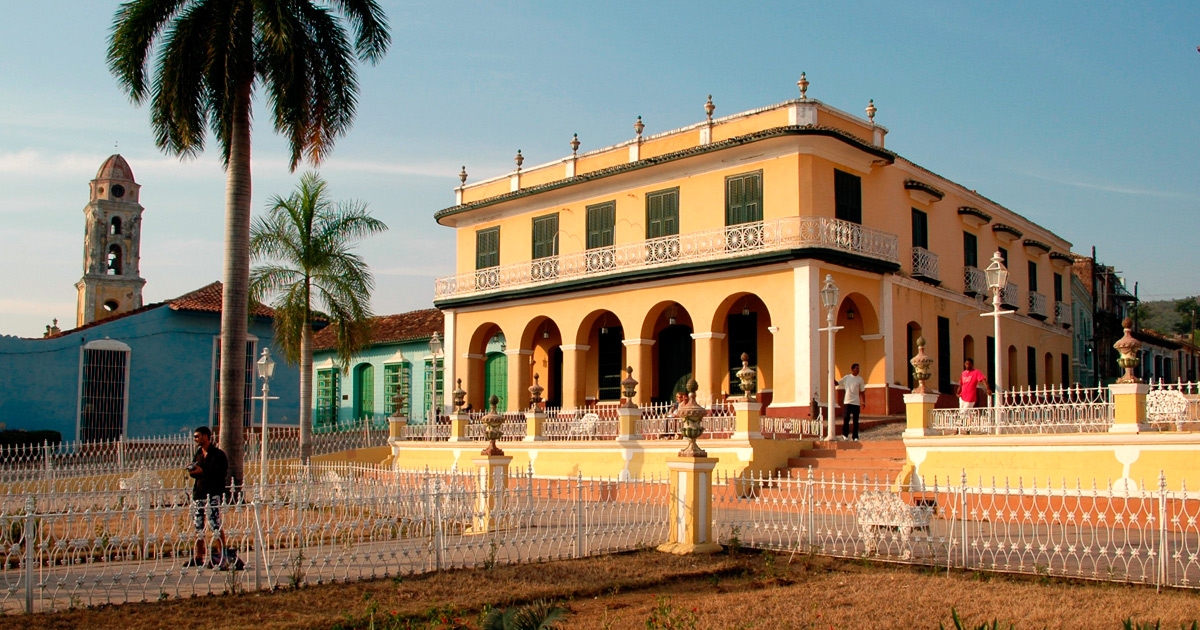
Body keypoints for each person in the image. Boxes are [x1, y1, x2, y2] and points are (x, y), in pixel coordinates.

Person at [186, 425, 229, 568]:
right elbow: (197, 472)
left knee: (215, 524)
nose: (195, 439)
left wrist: (202, 471)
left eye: (197, 436)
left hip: (213, 493)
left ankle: (222, 554)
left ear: (206, 436)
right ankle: (199, 556)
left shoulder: (218, 455)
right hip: (199, 493)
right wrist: (193, 471)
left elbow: (220, 473)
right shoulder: (198, 453)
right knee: (198, 526)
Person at [837, 363, 866, 441]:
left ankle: (855, 437)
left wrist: (863, 402)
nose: (858, 370)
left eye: (858, 369)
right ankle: (845, 434)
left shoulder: (860, 379)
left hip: (856, 402)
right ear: (852, 369)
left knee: (855, 420)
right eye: (857, 368)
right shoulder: (847, 378)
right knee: (846, 418)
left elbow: (862, 391)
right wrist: (830, 377)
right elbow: (837, 383)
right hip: (847, 402)